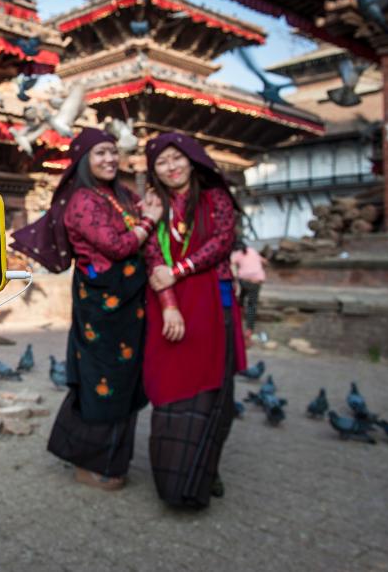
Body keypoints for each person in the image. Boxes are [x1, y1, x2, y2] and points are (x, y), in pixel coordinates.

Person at [12, 128, 163, 491]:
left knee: (124, 381)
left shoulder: (121, 193)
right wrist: (149, 221)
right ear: (83, 160)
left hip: (130, 304)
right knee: (103, 383)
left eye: (113, 152)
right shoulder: (82, 201)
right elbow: (118, 245)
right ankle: (90, 461)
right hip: (102, 306)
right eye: (100, 153)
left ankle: (106, 459)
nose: (110, 159)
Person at [142, 132, 247, 509]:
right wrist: (169, 302)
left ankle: (207, 468)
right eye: (161, 163)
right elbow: (153, 254)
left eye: (176, 158)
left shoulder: (214, 197)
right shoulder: (154, 204)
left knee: (215, 389)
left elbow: (221, 241)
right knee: (171, 384)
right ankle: (176, 477)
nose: (171, 168)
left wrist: (180, 268)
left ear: (190, 158)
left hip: (212, 302)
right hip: (169, 304)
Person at [230, 239, 267, 339]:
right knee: (252, 305)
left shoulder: (236, 254)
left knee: (241, 298)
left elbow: (231, 266)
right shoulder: (253, 251)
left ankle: (238, 316)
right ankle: (249, 329)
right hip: (257, 281)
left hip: (244, 281)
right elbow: (264, 261)